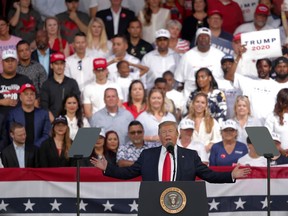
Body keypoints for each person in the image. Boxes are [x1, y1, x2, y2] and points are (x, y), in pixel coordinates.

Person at [91, 120, 251, 181]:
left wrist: (230, 175)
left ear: (177, 135)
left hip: (183, 205)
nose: (167, 134)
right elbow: (129, 173)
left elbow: (209, 175)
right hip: (154, 205)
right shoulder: (147, 155)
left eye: (170, 131)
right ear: (159, 136)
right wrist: (108, 169)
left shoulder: (190, 155)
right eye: (163, 132)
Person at [174, 27, 225, 99]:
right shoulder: (187, 56)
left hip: (214, 98)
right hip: (191, 98)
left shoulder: (220, 55)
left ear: (210, 40)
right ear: (196, 40)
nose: (203, 38)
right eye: (201, 36)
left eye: (206, 36)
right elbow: (178, 81)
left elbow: (227, 77)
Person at [225, 57, 279, 125]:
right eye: (259, 66)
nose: (262, 69)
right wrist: (238, 57)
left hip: (270, 124)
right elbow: (228, 76)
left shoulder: (277, 86)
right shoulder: (248, 81)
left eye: (265, 66)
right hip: (252, 124)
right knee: (255, 136)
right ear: (256, 68)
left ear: (270, 68)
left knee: (268, 136)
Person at [7, 83, 51, 148]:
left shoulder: (43, 114)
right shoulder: (13, 114)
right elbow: (11, 134)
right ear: (20, 97)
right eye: (26, 94)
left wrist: (35, 146)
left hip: (38, 150)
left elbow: (47, 134)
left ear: (35, 97)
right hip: (19, 150)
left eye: (32, 94)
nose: (29, 96)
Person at [40, 52, 80, 122]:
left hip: (71, 122)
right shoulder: (46, 85)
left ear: (65, 65)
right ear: (51, 66)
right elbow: (44, 107)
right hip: (52, 123)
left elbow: (77, 103)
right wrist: (56, 123)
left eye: (61, 63)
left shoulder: (72, 83)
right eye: (56, 64)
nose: (59, 66)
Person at [0, 49, 32, 116]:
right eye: (7, 61)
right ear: (2, 62)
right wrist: (1, 102)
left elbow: (34, 100)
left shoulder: (24, 80)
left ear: (17, 62)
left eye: (12, 60)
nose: (10, 63)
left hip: (21, 119)